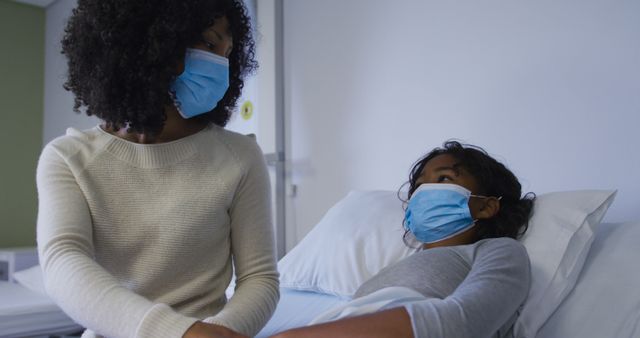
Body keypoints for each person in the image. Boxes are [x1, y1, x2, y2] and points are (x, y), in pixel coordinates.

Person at [35, 1, 278, 338]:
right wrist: (178, 333)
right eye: (209, 43)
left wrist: (214, 333)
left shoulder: (241, 156)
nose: (221, 63)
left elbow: (260, 279)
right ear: (149, 43)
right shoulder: (68, 158)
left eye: (227, 51)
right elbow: (63, 262)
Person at [270, 141, 535, 338]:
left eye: (444, 178)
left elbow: (463, 322)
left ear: (486, 207)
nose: (424, 192)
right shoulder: (392, 269)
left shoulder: (499, 250)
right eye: (419, 187)